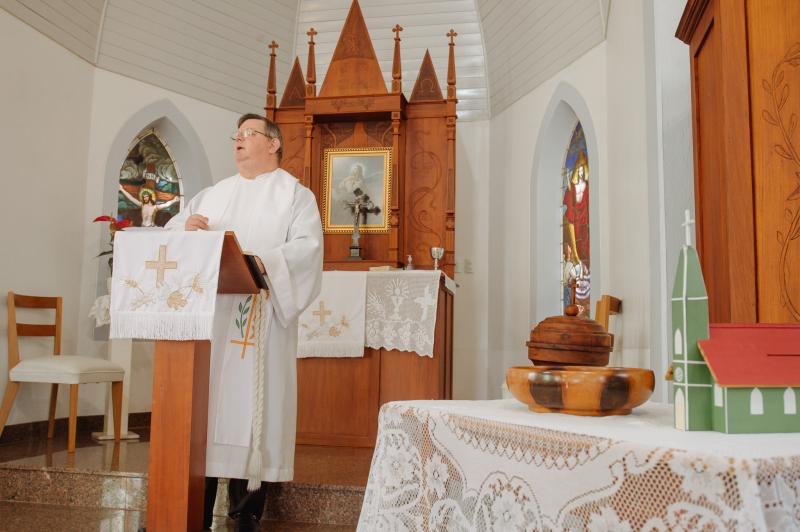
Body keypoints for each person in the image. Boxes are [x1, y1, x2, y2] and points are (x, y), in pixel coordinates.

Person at [165, 114, 323, 531]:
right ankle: (193, 512)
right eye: (236, 135)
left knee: (254, 411)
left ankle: (245, 515)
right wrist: (186, 225)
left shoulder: (295, 195)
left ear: (273, 144)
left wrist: (259, 263)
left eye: (249, 134)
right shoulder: (213, 195)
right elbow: (173, 233)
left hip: (261, 319)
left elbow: (307, 250)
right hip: (212, 324)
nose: (238, 140)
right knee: (206, 409)